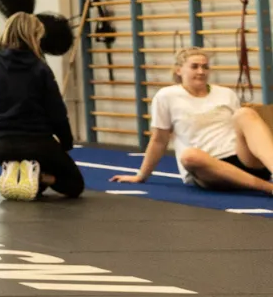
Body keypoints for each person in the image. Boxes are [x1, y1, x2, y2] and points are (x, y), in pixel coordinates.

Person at [113, 48, 272, 194]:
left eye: (205, 67)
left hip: (243, 160)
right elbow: (159, 140)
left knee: (245, 113)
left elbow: (244, 132)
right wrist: (141, 176)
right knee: (189, 156)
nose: (201, 71)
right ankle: (268, 188)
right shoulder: (166, 96)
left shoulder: (226, 94)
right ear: (179, 70)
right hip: (209, 169)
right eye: (194, 67)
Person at [0, 13, 83, 200]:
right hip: (37, 143)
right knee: (74, 185)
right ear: (35, 37)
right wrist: (66, 143)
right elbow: (57, 113)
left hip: (2, 147)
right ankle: (40, 175)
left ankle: (23, 172)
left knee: (35, 190)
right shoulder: (39, 68)